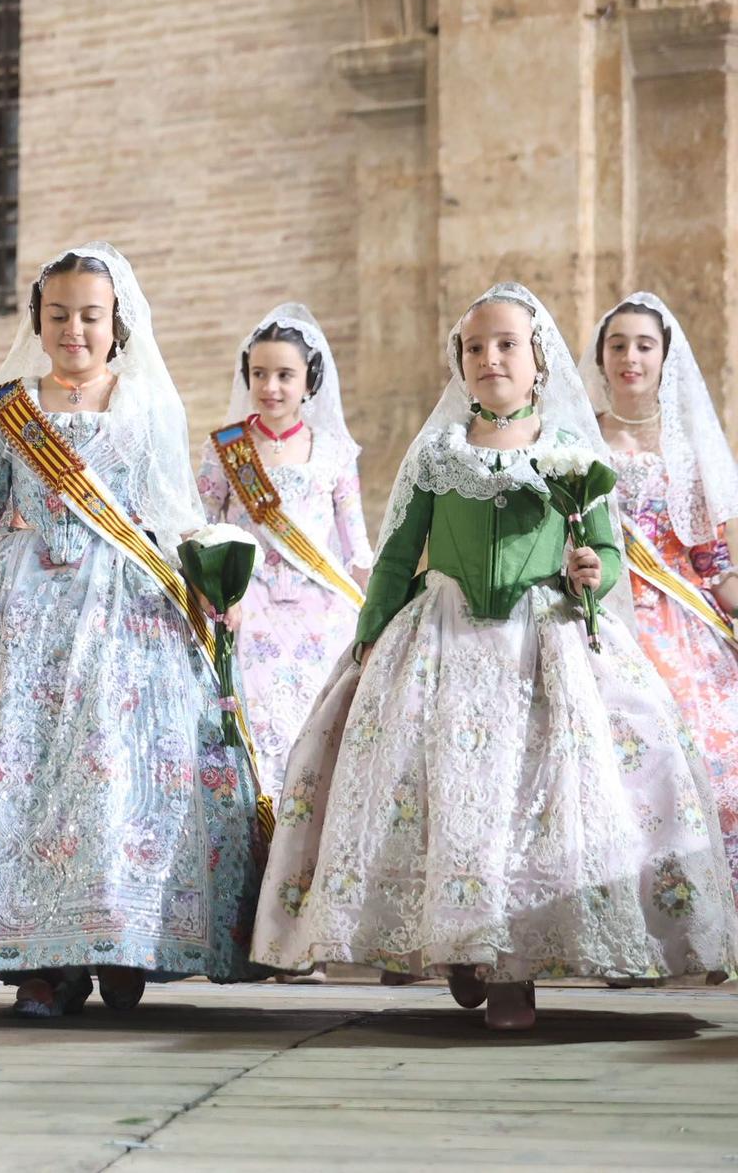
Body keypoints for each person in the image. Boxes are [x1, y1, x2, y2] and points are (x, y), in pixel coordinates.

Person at [252, 283, 738, 1030]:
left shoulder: (573, 454)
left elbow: (604, 549)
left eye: (506, 344)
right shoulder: (440, 454)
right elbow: (394, 556)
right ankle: (462, 949)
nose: (490, 358)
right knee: (450, 793)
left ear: (538, 358)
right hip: (442, 642)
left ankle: (514, 972)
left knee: (529, 798)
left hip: (541, 647)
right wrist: (372, 633)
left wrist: (590, 571)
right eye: (475, 347)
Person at [0, 243, 268, 1018]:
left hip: (126, 609)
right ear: (38, 319)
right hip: (16, 611)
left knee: (118, 775)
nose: (74, 329)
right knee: (23, 778)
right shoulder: (6, 407)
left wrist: (213, 588)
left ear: (116, 323)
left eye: (90, 316)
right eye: (59, 314)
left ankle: (123, 941)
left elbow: (169, 513)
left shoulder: (147, 406)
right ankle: (44, 964)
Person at [583, 293, 738, 892]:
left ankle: (707, 915)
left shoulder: (687, 447)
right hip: (604, 612)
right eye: (617, 345)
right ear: (601, 357)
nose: (630, 357)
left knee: (716, 745)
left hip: (682, 619)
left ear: (664, 357)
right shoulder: (580, 440)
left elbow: (711, 562)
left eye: (644, 345)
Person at [197, 305, 371, 799]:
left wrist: (373, 608)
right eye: (260, 374)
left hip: (322, 608)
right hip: (244, 607)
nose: (270, 386)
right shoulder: (227, 448)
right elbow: (204, 530)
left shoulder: (334, 450)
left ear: (309, 381)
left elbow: (356, 543)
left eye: (284, 375)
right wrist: (217, 593)